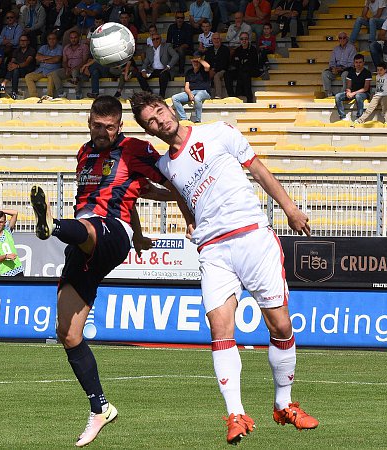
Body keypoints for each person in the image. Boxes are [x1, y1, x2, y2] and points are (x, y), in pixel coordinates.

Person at [129, 90, 318, 445]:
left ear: (169, 108)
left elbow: (259, 171)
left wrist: (290, 209)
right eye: (150, 122)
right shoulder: (165, 166)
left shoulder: (218, 132)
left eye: (159, 111)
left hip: (252, 237)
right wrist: (189, 221)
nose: (159, 120)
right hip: (214, 248)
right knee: (220, 329)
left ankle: (284, 404)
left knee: (279, 323)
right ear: (150, 131)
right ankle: (235, 414)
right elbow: (183, 195)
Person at [29, 95, 167, 448]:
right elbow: (133, 191)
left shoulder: (135, 148)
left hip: (110, 232)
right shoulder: (83, 153)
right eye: (96, 125)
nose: (102, 132)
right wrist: (141, 233)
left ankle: (52, 224)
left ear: (120, 125)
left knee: (87, 227)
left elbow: (170, 177)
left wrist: (189, 211)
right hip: (85, 242)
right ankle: (100, 407)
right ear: (88, 122)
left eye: (109, 127)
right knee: (68, 333)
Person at [137, 33, 179, 97]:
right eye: (153, 39)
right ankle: (150, 95)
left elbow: (175, 56)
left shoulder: (167, 46)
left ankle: (161, 96)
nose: (155, 40)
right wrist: (143, 70)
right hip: (153, 71)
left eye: (157, 38)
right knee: (139, 75)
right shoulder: (149, 50)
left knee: (163, 75)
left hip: (165, 70)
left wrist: (168, 66)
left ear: (161, 39)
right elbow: (145, 62)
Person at [171, 56, 211, 123]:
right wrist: (189, 94)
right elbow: (186, 87)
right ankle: (184, 119)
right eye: (193, 62)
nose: (195, 63)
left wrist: (199, 60)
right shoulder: (189, 72)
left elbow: (208, 66)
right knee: (175, 98)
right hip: (192, 91)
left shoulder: (204, 70)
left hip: (204, 91)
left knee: (197, 98)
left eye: (197, 62)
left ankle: (198, 120)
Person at [24, 32, 63, 98]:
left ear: (57, 40)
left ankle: (49, 96)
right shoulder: (44, 47)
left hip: (52, 70)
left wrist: (43, 58)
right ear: (47, 40)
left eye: (53, 39)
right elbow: (37, 57)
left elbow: (57, 59)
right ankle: (34, 97)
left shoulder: (59, 47)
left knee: (52, 77)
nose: (51, 40)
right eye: (50, 39)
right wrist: (51, 57)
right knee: (28, 76)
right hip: (41, 70)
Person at [334, 53, 371, 121]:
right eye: (356, 62)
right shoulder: (351, 72)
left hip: (364, 93)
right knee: (337, 96)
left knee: (358, 96)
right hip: (353, 92)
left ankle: (360, 117)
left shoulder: (367, 72)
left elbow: (365, 88)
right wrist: (348, 92)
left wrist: (353, 93)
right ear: (354, 63)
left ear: (363, 63)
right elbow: (348, 86)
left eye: (360, 62)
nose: (358, 64)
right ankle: (342, 117)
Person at [321, 32, 356, 98]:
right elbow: (332, 62)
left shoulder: (352, 48)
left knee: (345, 74)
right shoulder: (335, 49)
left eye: (344, 38)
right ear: (338, 40)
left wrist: (341, 69)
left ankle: (342, 94)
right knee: (325, 74)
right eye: (340, 38)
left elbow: (351, 63)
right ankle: (329, 94)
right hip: (336, 69)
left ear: (347, 39)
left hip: (346, 69)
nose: (342, 39)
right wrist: (333, 68)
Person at [226, 31, 258, 102]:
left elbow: (253, 63)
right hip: (239, 70)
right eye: (242, 39)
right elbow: (234, 62)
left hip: (250, 70)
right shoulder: (237, 50)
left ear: (248, 39)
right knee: (227, 74)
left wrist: (241, 63)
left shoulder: (253, 49)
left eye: (245, 39)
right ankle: (231, 96)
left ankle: (249, 97)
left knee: (244, 73)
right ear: (240, 40)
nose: (244, 40)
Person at [166, 11, 193, 75]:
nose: (180, 19)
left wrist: (176, 49)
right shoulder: (171, 27)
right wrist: (171, 50)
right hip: (175, 49)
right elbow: (168, 42)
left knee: (181, 50)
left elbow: (188, 44)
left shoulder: (188, 27)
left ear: (184, 19)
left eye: (181, 18)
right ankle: (167, 72)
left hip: (187, 49)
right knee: (166, 50)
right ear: (175, 18)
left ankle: (181, 71)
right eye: (178, 18)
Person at [204, 33, 230, 98]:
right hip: (211, 70)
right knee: (203, 74)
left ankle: (218, 96)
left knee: (216, 76)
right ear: (212, 40)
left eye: (218, 38)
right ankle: (204, 95)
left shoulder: (225, 49)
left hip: (222, 70)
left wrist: (214, 70)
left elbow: (225, 63)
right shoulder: (209, 50)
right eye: (214, 39)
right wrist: (210, 70)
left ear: (220, 40)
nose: (216, 40)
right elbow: (206, 62)